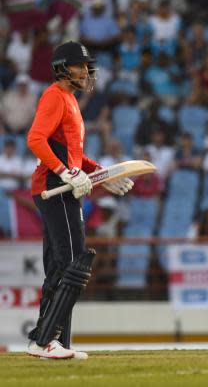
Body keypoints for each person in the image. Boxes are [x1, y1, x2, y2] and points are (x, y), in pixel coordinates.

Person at [26, 41, 134, 360]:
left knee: (62, 264)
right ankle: (47, 340)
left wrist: (101, 173)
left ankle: (53, 341)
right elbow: (35, 139)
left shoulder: (70, 100)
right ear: (63, 68)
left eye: (88, 66)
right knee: (73, 262)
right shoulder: (54, 96)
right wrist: (66, 172)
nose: (87, 71)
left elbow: (74, 154)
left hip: (63, 184)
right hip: (54, 185)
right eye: (81, 65)